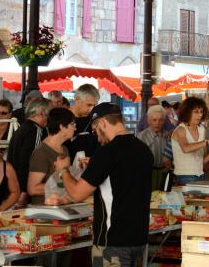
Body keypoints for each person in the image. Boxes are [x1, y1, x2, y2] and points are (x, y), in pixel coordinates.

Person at [55, 103, 153, 267]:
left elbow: (77, 193)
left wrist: (63, 170)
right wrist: (95, 165)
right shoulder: (143, 149)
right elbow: (122, 173)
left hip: (112, 242)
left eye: (95, 131)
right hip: (139, 239)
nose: (97, 137)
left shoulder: (107, 152)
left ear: (102, 123)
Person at [171, 97, 209, 185]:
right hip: (184, 176)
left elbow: (202, 160)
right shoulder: (181, 129)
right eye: (196, 112)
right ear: (187, 112)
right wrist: (208, 141)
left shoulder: (201, 129)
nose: (200, 115)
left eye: (201, 111)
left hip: (200, 174)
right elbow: (186, 149)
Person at [27, 107, 75, 205]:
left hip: (62, 206)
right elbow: (32, 189)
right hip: (45, 209)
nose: (75, 128)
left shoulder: (64, 149)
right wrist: (65, 186)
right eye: (72, 124)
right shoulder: (41, 152)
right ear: (62, 126)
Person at [7, 96, 50, 204]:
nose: (49, 119)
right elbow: (28, 162)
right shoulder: (36, 131)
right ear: (41, 113)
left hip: (14, 186)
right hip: (22, 189)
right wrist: (24, 190)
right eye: (48, 114)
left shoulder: (22, 129)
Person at [137, 105, 172, 191]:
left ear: (164, 121)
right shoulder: (141, 137)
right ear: (149, 121)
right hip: (148, 175)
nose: (157, 123)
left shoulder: (168, 135)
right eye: (154, 120)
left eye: (160, 120)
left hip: (165, 174)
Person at [65, 84, 100, 159]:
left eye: (94, 105)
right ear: (77, 100)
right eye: (89, 105)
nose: (91, 109)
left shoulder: (94, 119)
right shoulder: (63, 118)